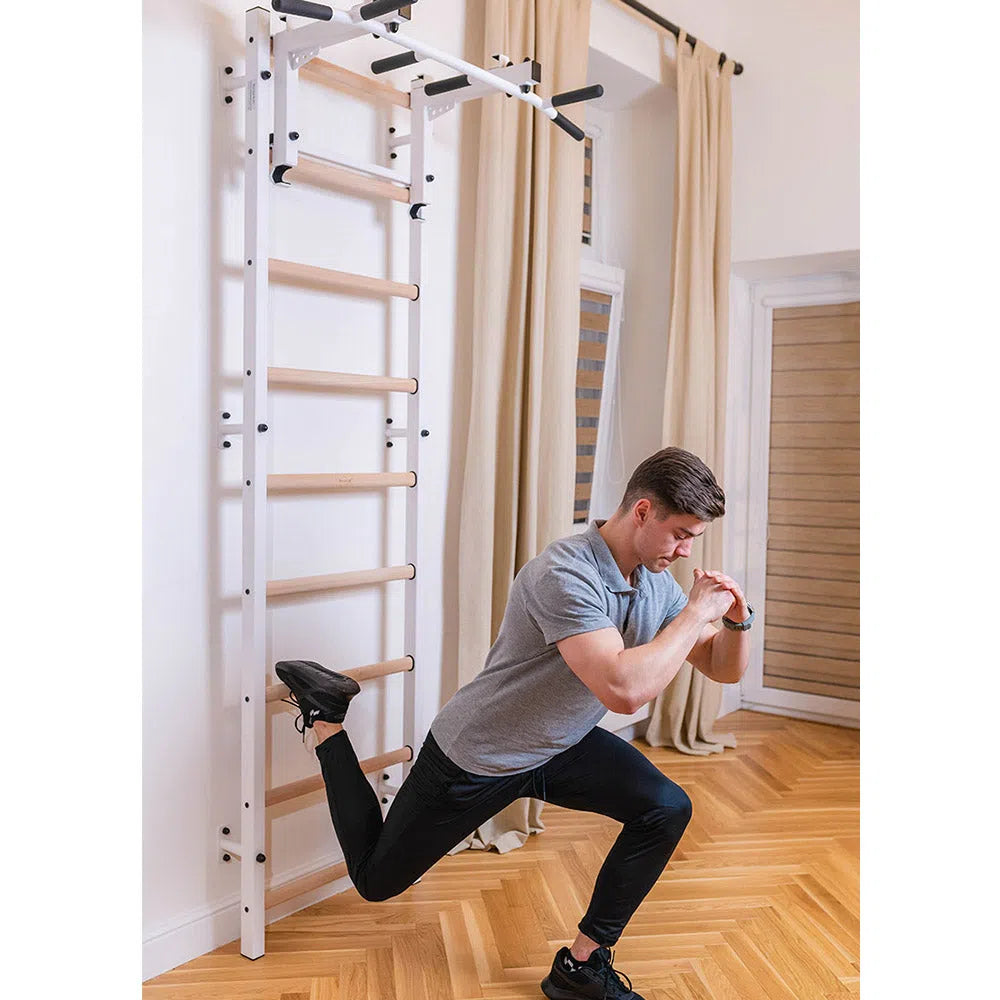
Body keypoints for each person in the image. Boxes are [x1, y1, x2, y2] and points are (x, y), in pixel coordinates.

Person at [276, 446, 753, 1000]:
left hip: (560, 743)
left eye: (694, 537)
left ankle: (580, 965)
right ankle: (327, 719)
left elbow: (718, 667)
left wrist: (738, 622)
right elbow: (624, 690)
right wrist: (695, 614)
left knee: (666, 808)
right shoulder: (564, 572)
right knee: (375, 881)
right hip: (481, 751)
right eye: (681, 533)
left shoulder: (652, 580)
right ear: (642, 512)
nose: (686, 549)